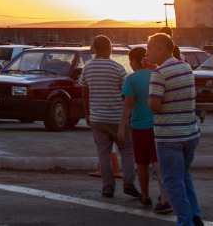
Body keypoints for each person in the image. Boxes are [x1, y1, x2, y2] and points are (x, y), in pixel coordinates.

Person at [147, 32, 203, 226]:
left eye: (150, 48)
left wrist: (150, 97)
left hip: (170, 136)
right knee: (184, 175)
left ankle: (185, 221)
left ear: (160, 49)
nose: (148, 52)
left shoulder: (159, 74)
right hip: (190, 133)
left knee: (171, 181)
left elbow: (154, 105)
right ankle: (195, 215)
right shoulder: (186, 68)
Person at [80, 35, 137, 199]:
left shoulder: (87, 68)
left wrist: (87, 114)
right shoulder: (118, 68)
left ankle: (107, 188)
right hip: (117, 118)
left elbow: (85, 94)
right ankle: (128, 183)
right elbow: (126, 96)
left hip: (97, 117)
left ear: (94, 49)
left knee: (103, 153)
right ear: (109, 48)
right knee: (126, 150)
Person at [119, 46, 165, 210]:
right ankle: (164, 196)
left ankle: (145, 197)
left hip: (139, 126)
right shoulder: (158, 74)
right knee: (159, 162)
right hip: (159, 124)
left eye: (130, 61)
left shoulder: (131, 79)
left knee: (142, 163)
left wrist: (121, 128)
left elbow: (128, 105)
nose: (130, 64)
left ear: (134, 61)